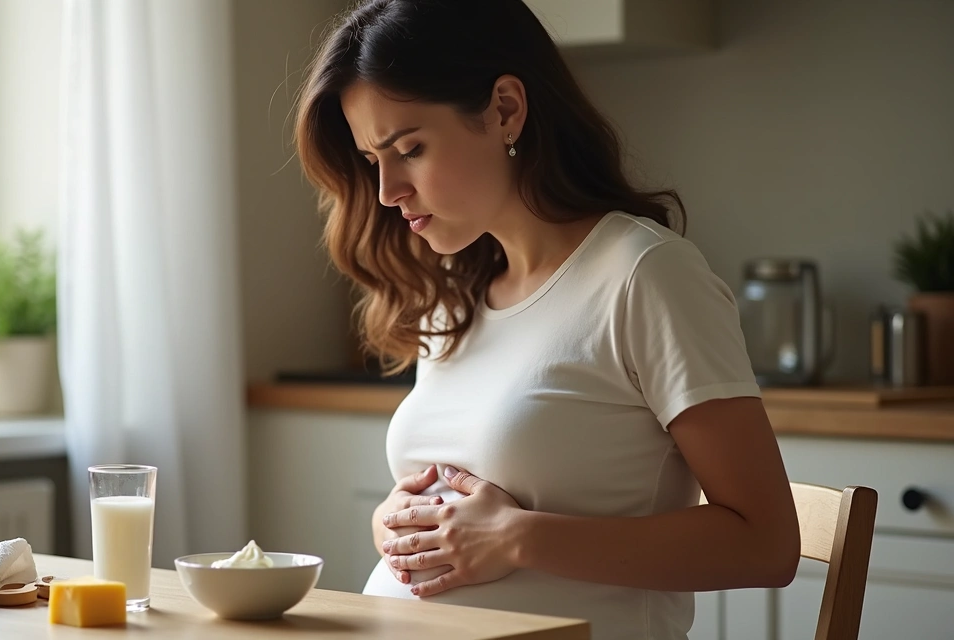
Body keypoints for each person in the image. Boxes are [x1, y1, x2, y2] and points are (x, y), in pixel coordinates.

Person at [292, 1, 801, 638]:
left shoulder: (644, 275)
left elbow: (766, 543)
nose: (389, 190)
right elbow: (462, 504)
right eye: (373, 161)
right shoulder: (455, 297)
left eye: (410, 149)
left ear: (505, 108)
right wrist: (397, 526)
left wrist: (520, 539)